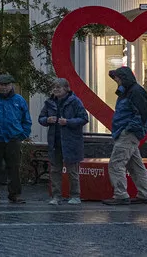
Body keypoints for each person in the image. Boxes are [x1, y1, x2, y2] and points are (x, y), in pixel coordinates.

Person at [103, 67, 147, 206]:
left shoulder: (135, 92)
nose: (116, 81)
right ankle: (145, 194)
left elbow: (141, 113)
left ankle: (121, 195)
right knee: (135, 165)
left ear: (124, 78)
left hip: (128, 133)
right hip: (127, 131)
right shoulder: (129, 91)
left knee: (116, 163)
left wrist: (129, 129)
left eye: (117, 78)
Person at [38, 77, 88, 205]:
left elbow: (83, 118)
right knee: (55, 170)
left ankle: (75, 195)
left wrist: (68, 122)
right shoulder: (49, 102)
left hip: (71, 142)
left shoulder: (75, 102)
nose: (55, 89)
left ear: (66, 89)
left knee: (72, 170)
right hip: (55, 142)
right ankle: (56, 196)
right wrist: (47, 120)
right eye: (54, 87)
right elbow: (41, 118)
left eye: (58, 87)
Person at [0, 73, 32, 204]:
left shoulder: (19, 100)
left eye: (7, 85)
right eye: (1, 85)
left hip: (13, 138)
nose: (4, 87)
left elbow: (26, 119)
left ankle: (15, 194)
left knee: (14, 167)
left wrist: (23, 134)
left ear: (12, 85)